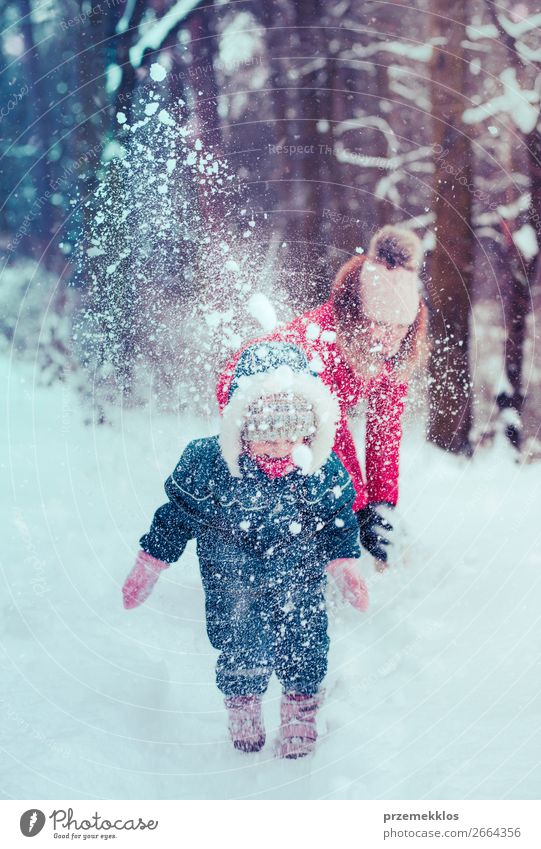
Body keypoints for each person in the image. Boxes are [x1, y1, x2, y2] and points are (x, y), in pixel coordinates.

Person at [122, 342, 369, 759]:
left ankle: (300, 707)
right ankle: (243, 701)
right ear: (241, 429)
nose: (280, 448)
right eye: (267, 437)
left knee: (305, 636)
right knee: (239, 638)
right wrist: (150, 563)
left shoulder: (319, 469)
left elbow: (337, 518)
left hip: (298, 571)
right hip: (231, 574)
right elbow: (176, 517)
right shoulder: (209, 465)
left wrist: (344, 565)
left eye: (293, 436)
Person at [217, 226, 427, 569]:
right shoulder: (322, 340)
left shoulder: (393, 354)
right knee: (292, 478)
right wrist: (358, 507)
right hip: (253, 392)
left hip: (304, 413)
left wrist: (383, 505)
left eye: (400, 327)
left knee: (323, 484)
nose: (390, 337)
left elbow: (384, 430)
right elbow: (333, 431)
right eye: (379, 324)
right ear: (358, 316)